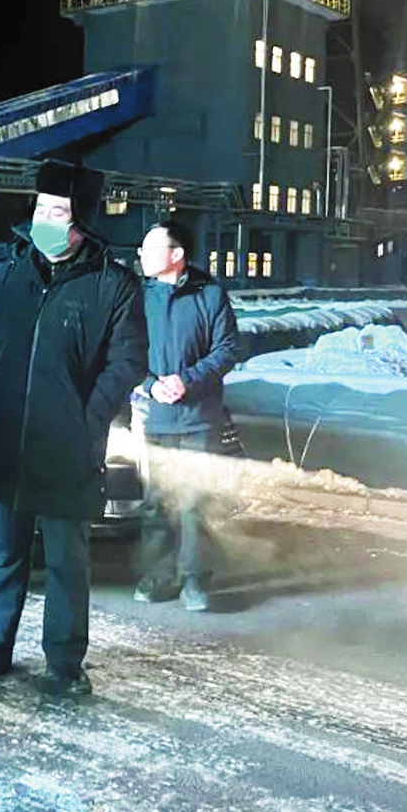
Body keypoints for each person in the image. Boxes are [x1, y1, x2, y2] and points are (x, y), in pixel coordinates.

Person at [0, 160, 147, 695]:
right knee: (4, 557)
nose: (44, 220)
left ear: (83, 223)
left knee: (66, 564)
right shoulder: (8, 273)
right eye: (41, 208)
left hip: (67, 450)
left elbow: (127, 362)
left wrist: (87, 420)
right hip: (5, 441)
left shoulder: (114, 285)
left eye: (58, 211)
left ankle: (64, 664)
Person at [132, 220, 241, 612]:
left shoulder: (209, 295)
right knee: (157, 503)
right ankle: (159, 576)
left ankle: (194, 579)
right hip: (155, 418)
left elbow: (227, 348)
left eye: (150, 248)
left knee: (196, 502)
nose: (142, 255)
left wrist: (188, 380)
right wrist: (150, 385)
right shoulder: (138, 298)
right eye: (142, 249)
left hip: (199, 418)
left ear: (176, 254)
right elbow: (125, 350)